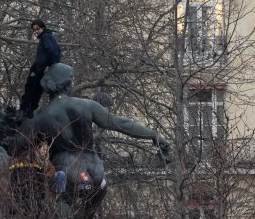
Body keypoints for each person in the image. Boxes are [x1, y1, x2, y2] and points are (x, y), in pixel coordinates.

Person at [22, 63, 169, 217]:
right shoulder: (87, 105)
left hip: (68, 167)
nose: (74, 82)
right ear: (66, 82)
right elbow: (121, 124)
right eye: (72, 79)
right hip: (95, 169)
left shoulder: (41, 118)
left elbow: (18, 144)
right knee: (93, 198)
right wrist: (154, 135)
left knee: (65, 200)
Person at [19, 19, 62, 117]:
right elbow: (58, 52)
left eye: (38, 29)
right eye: (34, 30)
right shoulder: (51, 37)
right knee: (38, 88)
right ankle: (30, 110)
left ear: (43, 27)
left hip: (39, 67)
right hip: (44, 67)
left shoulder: (46, 37)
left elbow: (51, 51)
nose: (36, 32)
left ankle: (24, 110)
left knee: (30, 86)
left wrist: (48, 65)